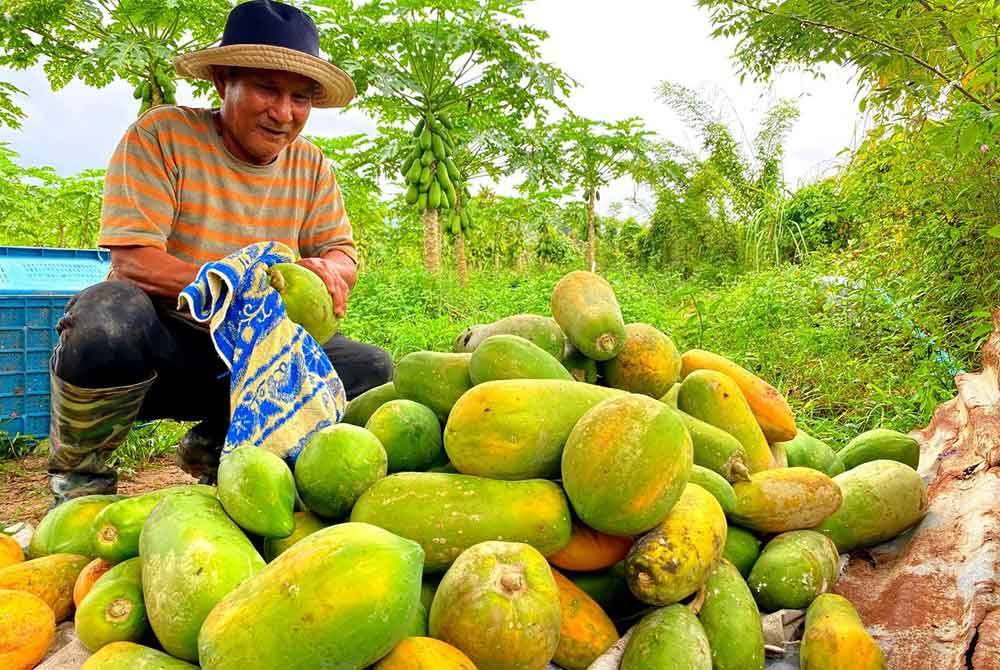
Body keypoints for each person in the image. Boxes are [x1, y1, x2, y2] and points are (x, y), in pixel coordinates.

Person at [47, 0, 392, 504]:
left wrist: (332, 270)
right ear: (222, 82)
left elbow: (340, 250)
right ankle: (80, 479)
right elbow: (134, 260)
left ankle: (218, 446)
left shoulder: (311, 166)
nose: (284, 112)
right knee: (105, 319)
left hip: (256, 352)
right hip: (163, 347)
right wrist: (236, 284)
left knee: (370, 370)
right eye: (266, 89)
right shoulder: (163, 135)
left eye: (300, 98)